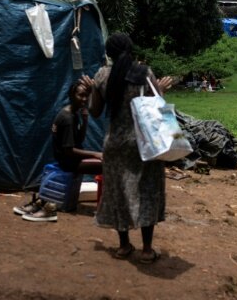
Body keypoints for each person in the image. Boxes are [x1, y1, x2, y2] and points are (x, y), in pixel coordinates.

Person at [82, 33, 172, 264]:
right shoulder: (145, 74)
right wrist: (161, 90)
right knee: (147, 192)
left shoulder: (103, 75)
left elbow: (94, 112)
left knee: (118, 192)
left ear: (109, 53)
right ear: (131, 49)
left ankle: (123, 246)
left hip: (115, 144)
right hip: (144, 144)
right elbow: (156, 107)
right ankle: (147, 249)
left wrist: (92, 90)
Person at [15, 81, 103, 222]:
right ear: (71, 95)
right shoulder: (67, 118)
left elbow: (79, 138)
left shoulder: (72, 113)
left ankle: (41, 202)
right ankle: (106, 209)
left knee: (104, 162)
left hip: (68, 159)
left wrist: (85, 119)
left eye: (86, 96)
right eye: (81, 95)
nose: (84, 99)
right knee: (106, 166)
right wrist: (95, 154)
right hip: (68, 161)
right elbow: (69, 150)